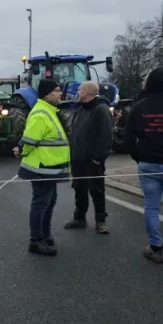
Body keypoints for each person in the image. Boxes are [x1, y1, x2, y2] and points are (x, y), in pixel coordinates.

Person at [13, 79, 71, 256]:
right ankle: (36, 240)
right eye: (57, 91)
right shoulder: (40, 113)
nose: (60, 94)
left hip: (50, 167)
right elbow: (30, 139)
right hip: (42, 167)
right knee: (41, 203)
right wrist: (21, 149)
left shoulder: (49, 111)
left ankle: (45, 234)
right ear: (47, 94)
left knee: (49, 201)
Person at [124, 67, 163, 263]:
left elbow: (128, 138)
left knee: (151, 208)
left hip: (148, 163)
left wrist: (138, 157)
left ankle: (156, 248)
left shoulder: (139, 106)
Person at [64, 81, 113, 234]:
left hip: (93, 159)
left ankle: (100, 221)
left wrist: (97, 158)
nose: (78, 92)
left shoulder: (101, 110)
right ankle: (79, 218)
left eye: (80, 89)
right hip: (78, 158)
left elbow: (105, 137)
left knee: (96, 189)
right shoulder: (80, 109)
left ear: (87, 92)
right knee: (79, 188)